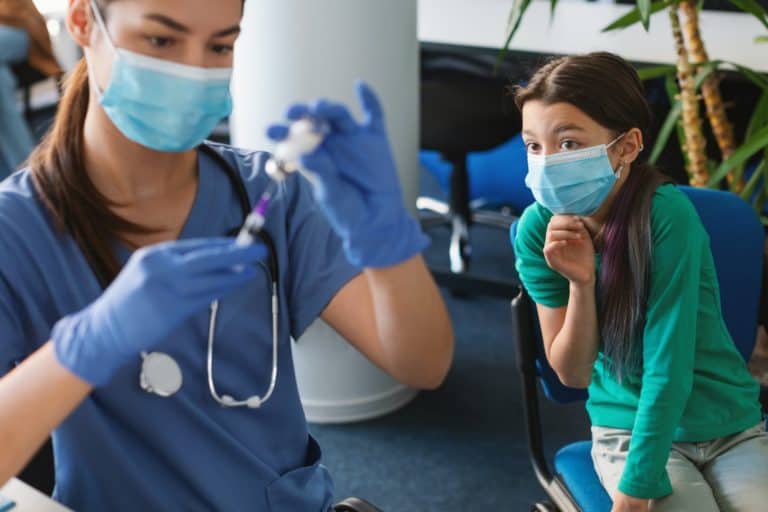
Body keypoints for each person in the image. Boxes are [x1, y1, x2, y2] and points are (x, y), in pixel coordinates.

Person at [0, 0, 454, 510]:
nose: (194, 69)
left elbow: (422, 364)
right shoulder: (15, 230)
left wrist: (387, 239)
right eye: (161, 40)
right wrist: (83, 349)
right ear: (84, 21)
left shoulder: (265, 195)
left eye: (219, 45)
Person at [513, 52, 768, 512]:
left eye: (568, 143)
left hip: (727, 424)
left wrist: (634, 492)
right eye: (534, 146)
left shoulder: (667, 218)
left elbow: (668, 366)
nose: (547, 163)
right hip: (628, 427)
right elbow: (571, 373)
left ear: (627, 146)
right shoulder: (537, 230)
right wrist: (580, 284)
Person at [0, 0, 62, 178]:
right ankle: (28, 173)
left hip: (18, 28)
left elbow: (14, 15)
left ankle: (28, 175)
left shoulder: (16, 16)